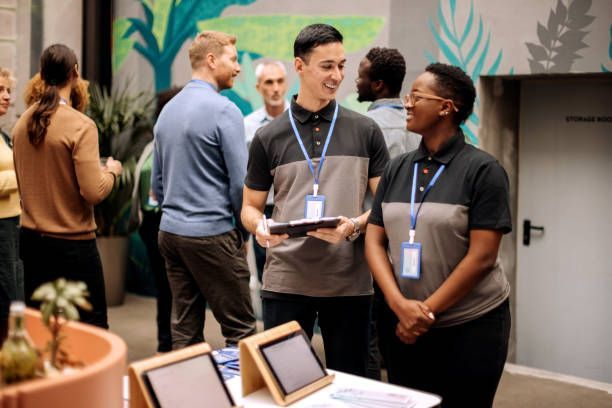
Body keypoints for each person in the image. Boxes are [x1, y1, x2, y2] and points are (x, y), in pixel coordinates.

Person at [242, 24, 389, 377]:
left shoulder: (365, 130)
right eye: (327, 66)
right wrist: (259, 226)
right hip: (285, 281)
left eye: (341, 65)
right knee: (285, 380)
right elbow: (249, 206)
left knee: (351, 384)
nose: (337, 75)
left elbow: (386, 203)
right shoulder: (267, 136)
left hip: (349, 282)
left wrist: (355, 225)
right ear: (300, 66)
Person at [365, 62, 511, 406]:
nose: (407, 104)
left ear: (446, 107)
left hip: (471, 325)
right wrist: (399, 305)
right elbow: (374, 240)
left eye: (416, 96)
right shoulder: (398, 167)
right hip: (404, 323)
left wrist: (424, 312)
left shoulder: (484, 170)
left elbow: (483, 257)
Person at [152, 31, 256, 349]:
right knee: (241, 331)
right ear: (211, 60)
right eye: (233, 59)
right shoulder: (225, 111)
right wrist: (242, 233)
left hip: (170, 233)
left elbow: (156, 184)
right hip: (212, 233)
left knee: (184, 330)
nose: (238, 68)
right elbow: (240, 185)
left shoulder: (167, 110)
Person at [12, 44, 123, 329]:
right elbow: (94, 192)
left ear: (41, 74)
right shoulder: (81, 125)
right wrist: (110, 171)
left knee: (41, 326)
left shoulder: (21, 124)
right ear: (75, 73)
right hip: (74, 248)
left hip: (32, 244)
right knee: (91, 329)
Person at [356, 46, 422, 380]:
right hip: (415, 243)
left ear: (378, 84)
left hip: (373, 241)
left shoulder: (362, 126)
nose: (354, 81)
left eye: (360, 75)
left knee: (367, 331)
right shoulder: (421, 123)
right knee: (402, 328)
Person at [129, 87, 181, 353]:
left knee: (178, 285)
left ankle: (179, 340)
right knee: (165, 284)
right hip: (152, 222)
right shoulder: (154, 143)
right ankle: (166, 341)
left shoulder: (179, 141)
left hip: (172, 219)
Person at [243, 61, 289, 282]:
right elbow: (243, 172)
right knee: (266, 274)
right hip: (263, 209)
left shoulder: (300, 120)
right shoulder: (248, 126)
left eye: (279, 81)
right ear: (258, 87)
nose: (275, 88)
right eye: (269, 82)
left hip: (295, 207)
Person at [0, 67, 23, 341]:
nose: (7, 97)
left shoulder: (4, 135)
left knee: (13, 301)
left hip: (12, 225)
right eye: (0, 90)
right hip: (2, 228)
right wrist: (21, 175)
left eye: (8, 91)